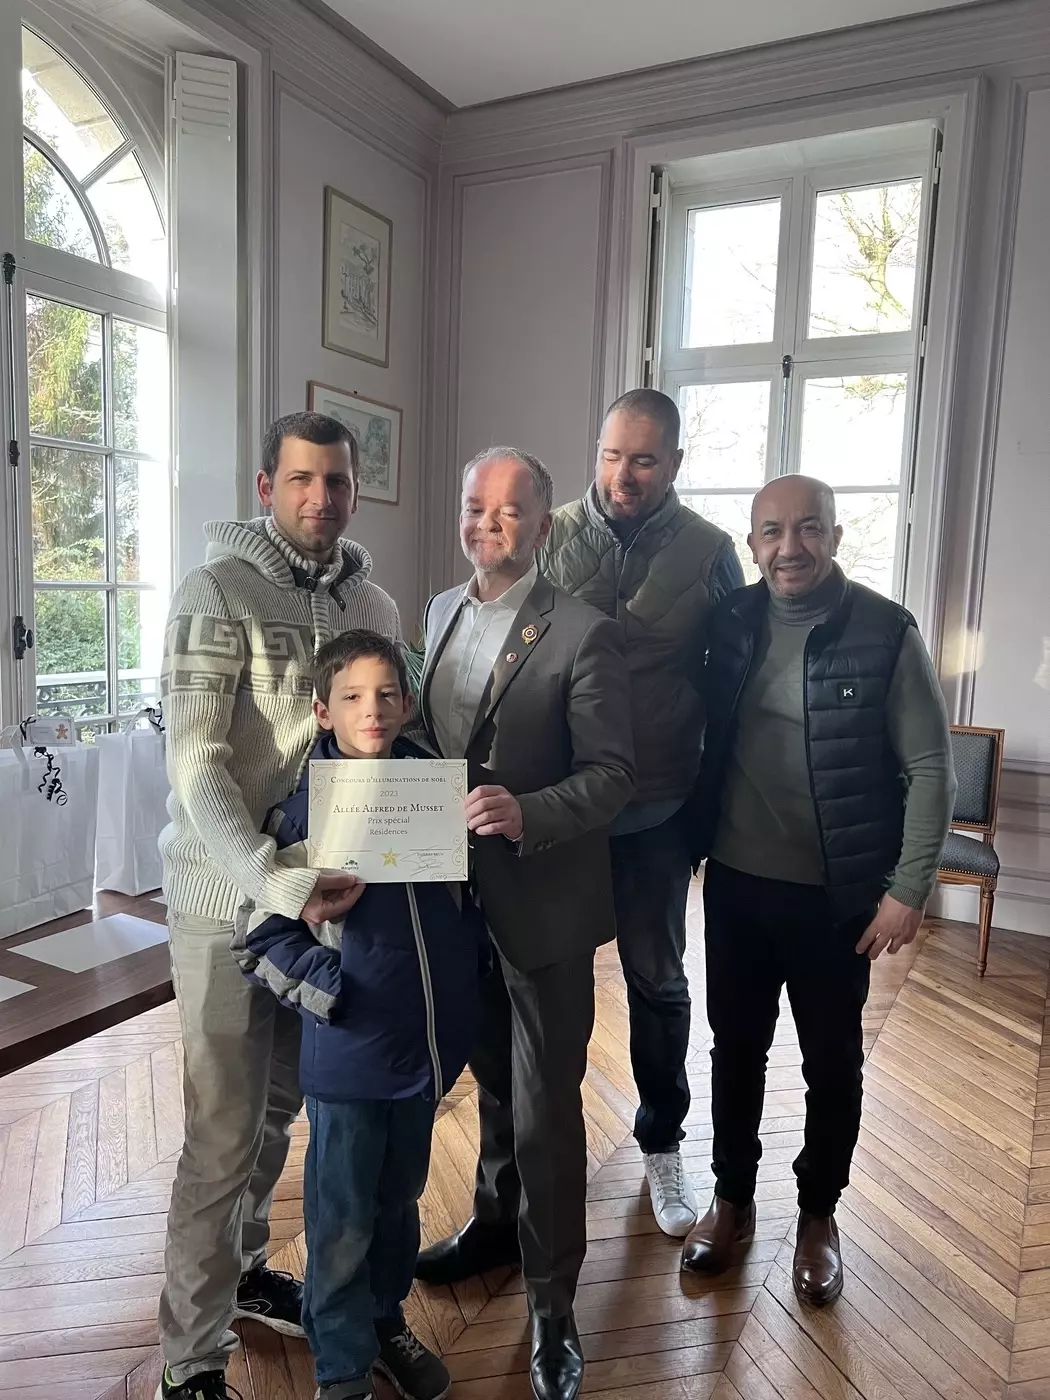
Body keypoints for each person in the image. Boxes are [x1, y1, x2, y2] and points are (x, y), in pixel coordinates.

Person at [157, 413, 400, 1400]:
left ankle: (248, 1266)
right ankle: (190, 1357)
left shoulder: (374, 601)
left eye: (336, 481)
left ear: (354, 488)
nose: (320, 499)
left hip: (322, 910)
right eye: (301, 480)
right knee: (220, 1133)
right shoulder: (214, 592)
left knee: (275, 1114)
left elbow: (383, 739)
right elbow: (197, 762)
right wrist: (270, 874)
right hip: (226, 899)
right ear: (267, 486)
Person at [681, 475, 956, 1304]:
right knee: (735, 1051)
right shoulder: (729, 622)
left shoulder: (884, 630)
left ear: (835, 536)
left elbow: (932, 768)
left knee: (832, 1062)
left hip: (837, 899)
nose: (789, 547)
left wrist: (909, 888)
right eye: (771, 531)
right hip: (736, 886)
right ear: (752, 543)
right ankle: (731, 1200)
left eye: (808, 529)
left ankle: (817, 1215)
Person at [412, 447, 635, 1400]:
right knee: (494, 1082)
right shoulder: (438, 612)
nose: (488, 524)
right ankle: (495, 1225)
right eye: (475, 506)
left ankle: (553, 1305)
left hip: (544, 904)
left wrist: (527, 811)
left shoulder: (585, 632)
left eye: (509, 511)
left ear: (544, 525)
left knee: (546, 1110)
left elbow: (614, 775)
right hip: (453, 904)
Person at [233, 630, 487, 1400]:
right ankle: (341, 1367)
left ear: (406, 704)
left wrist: (467, 988)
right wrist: (332, 990)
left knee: (399, 1202)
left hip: (426, 1052)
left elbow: (467, 910)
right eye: (351, 697)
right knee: (340, 1216)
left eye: (385, 694)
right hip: (348, 1059)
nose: (370, 710)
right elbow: (259, 937)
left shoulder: (439, 797)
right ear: (322, 711)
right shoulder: (303, 815)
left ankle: (384, 1321)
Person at [540, 388, 743, 1237]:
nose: (624, 475)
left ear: (675, 463)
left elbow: (732, 685)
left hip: (657, 811)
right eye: (612, 455)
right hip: (560, 809)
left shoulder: (710, 552)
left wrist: (708, 811)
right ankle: (537, 1153)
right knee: (547, 985)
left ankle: (662, 1143)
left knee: (658, 984)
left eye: (645, 460)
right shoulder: (546, 531)